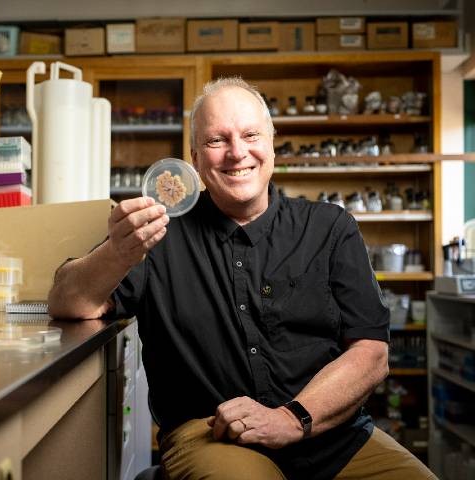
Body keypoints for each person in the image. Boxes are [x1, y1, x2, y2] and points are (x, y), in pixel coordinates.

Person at [48, 78, 436, 480]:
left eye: (250, 135)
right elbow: (68, 302)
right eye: (217, 140)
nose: (237, 152)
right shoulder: (158, 235)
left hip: (330, 433)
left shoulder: (330, 228)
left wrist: (293, 418)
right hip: (210, 434)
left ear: (271, 143)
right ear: (195, 159)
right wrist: (117, 252)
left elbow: (371, 353)